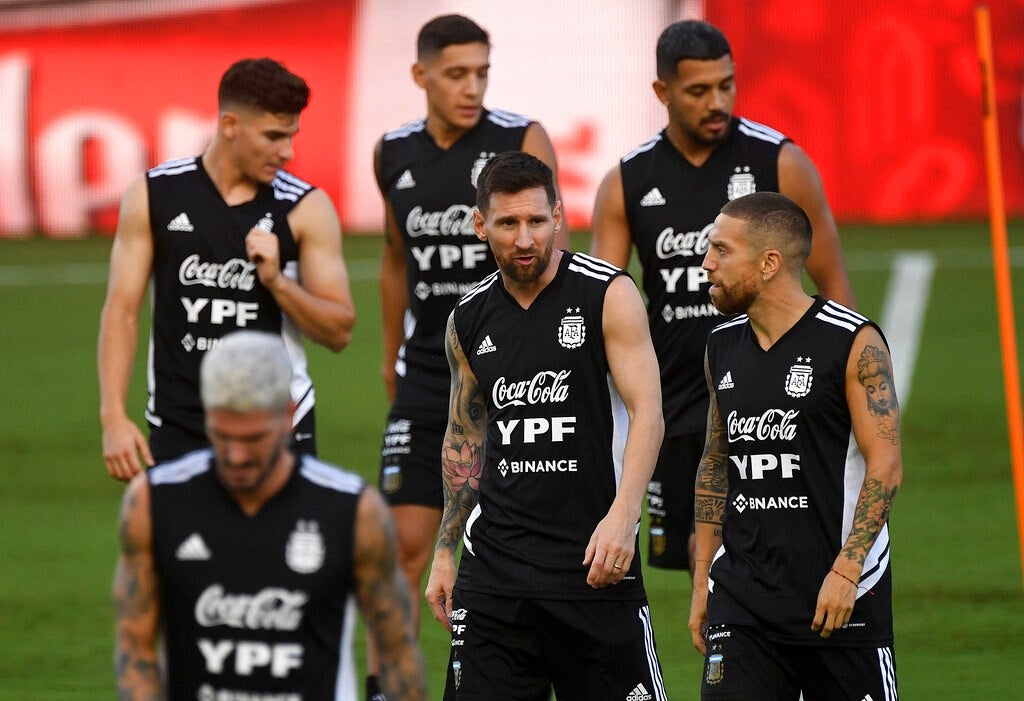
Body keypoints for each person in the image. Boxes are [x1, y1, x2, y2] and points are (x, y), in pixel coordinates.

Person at [590, 19, 856, 576]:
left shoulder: (779, 163)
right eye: (698, 90)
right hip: (676, 402)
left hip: (771, 392)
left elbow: (832, 284)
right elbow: (604, 300)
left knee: (770, 545)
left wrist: (848, 385)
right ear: (662, 93)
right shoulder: (627, 181)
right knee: (702, 565)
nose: (718, 101)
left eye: (726, 85)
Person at [369, 15, 566, 698]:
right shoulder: (392, 152)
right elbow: (397, 259)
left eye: (482, 71)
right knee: (400, 546)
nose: (472, 87)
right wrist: (391, 359)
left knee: (522, 546)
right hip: (428, 376)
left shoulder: (520, 139)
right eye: (456, 73)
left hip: (515, 369)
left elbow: (552, 245)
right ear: (422, 75)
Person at [424, 151, 667, 700]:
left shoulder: (608, 294)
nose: (526, 238)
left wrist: (624, 518)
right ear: (481, 224)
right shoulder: (467, 318)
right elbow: (465, 435)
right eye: (508, 224)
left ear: (558, 215)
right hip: (494, 575)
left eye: (537, 220)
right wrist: (445, 550)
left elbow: (648, 411)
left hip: (593, 565)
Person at [112, 331, 427, 700]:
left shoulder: (352, 511)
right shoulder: (155, 503)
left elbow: (396, 653)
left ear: (289, 416)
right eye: (222, 435)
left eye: (253, 438)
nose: (236, 456)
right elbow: (136, 650)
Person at [99, 57, 355, 481]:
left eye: (291, 136)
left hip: (277, 422)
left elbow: (339, 331)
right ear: (230, 125)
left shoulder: (306, 208)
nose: (286, 152)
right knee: (180, 549)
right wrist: (112, 418)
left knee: (273, 549)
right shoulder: (154, 194)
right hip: (179, 422)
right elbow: (121, 311)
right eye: (273, 136)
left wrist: (276, 281)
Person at [687, 192, 901, 700]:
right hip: (742, 601)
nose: (706, 263)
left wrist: (847, 571)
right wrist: (703, 582)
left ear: (768, 264)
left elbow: (886, 464)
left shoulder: (853, 343)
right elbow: (716, 462)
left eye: (721, 251)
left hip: (842, 596)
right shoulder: (721, 345)